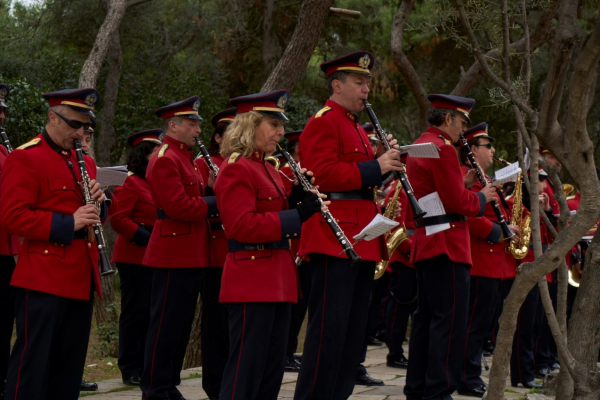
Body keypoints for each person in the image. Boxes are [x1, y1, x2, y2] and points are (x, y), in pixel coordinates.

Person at [294, 51, 405, 399]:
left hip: (361, 235)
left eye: (368, 83)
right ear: (337, 85)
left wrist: (382, 160)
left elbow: (357, 177)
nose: (366, 90)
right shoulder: (324, 121)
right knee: (329, 330)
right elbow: (320, 175)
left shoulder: (355, 126)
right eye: (359, 82)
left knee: (353, 332)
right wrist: (378, 166)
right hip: (334, 235)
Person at [214, 90, 325, 399]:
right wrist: (297, 215)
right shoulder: (236, 167)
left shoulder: (266, 166)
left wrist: (298, 199)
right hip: (251, 278)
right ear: (250, 125)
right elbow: (242, 225)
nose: (281, 132)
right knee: (246, 371)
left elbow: (271, 209)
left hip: (277, 277)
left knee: (271, 371)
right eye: (274, 124)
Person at [1, 88, 105, 400]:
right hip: (43, 275)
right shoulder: (25, 157)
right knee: (32, 366)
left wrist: (100, 204)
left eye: (85, 128)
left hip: (81, 273)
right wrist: (67, 223)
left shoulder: (84, 160)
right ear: (52, 118)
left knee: (68, 368)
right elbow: (11, 217)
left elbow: (90, 214)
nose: (79, 133)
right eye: (74, 124)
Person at [403, 94, 496, 400]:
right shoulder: (442, 148)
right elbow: (456, 202)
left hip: (429, 240)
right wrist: (483, 197)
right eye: (461, 122)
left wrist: (462, 181)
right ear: (448, 119)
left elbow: (434, 190)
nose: (462, 130)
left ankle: (417, 388)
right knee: (451, 323)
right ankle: (439, 391)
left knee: (426, 320)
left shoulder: (422, 143)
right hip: (448, 243)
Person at [140, 96, 218, 400]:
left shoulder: (184, 157)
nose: (198, 129)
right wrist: (216, 202)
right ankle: (155, 388)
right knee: (165, 326)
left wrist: (211, 188)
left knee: (180, 326)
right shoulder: (164, 158)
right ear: (173, 125)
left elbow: (194, 199)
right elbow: (177, 206)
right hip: (172, 253)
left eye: (198, 123)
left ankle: (168, 384)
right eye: (192, 123)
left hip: (191, 251)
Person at [457, 122, 520, 397]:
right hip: (480, 260)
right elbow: (468, 216)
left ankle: (471, 374)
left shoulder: (484, 177)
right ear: (472, 150)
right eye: (488, 146)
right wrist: (500, 231)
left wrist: (509, 227)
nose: (493, 150)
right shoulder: (465, 175)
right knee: (473, 324)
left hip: (494, 262)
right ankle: (467, 377)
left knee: (482, 325)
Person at [110, 129, 162, 387]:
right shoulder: (130, 181)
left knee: (151, 313)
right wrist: (146, 238)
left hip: (155, 254)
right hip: (135, 254)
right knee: (135, 313)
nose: (160, 157)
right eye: (156, 153)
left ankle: (144, 365)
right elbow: (118, 219)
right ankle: (129, 368)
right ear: (143, 155)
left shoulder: (155, 182)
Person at [193, 107, 236, 399]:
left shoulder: (245, 162)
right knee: (217, 323)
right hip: (215, 249)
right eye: (228, 135)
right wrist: (210, 190)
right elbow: (195, 205)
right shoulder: (202, 162)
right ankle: (215, 383)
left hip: (241, 250)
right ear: (217, 138)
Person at [0, 83, 21, 399]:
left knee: (5, 319)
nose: (2, 116)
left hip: (7, 247)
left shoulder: (6, 149)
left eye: (3, 111)